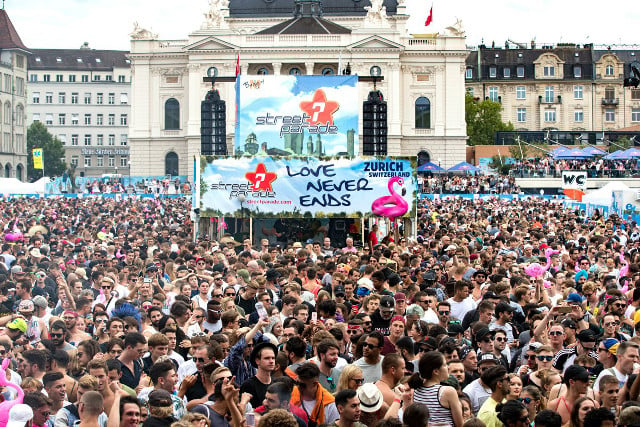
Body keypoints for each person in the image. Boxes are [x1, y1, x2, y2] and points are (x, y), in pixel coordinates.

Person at [410, 351, 463, 426]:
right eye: (444, 365)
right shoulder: (448, 392)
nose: (448, 367)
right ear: (436, 371)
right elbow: (460, 424)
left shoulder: (415, 391)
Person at [240, 341, 277, 409]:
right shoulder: (248, 385)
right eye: (267, 358)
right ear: (257, 361)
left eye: (273, 358)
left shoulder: (277, 383)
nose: (271, 361)